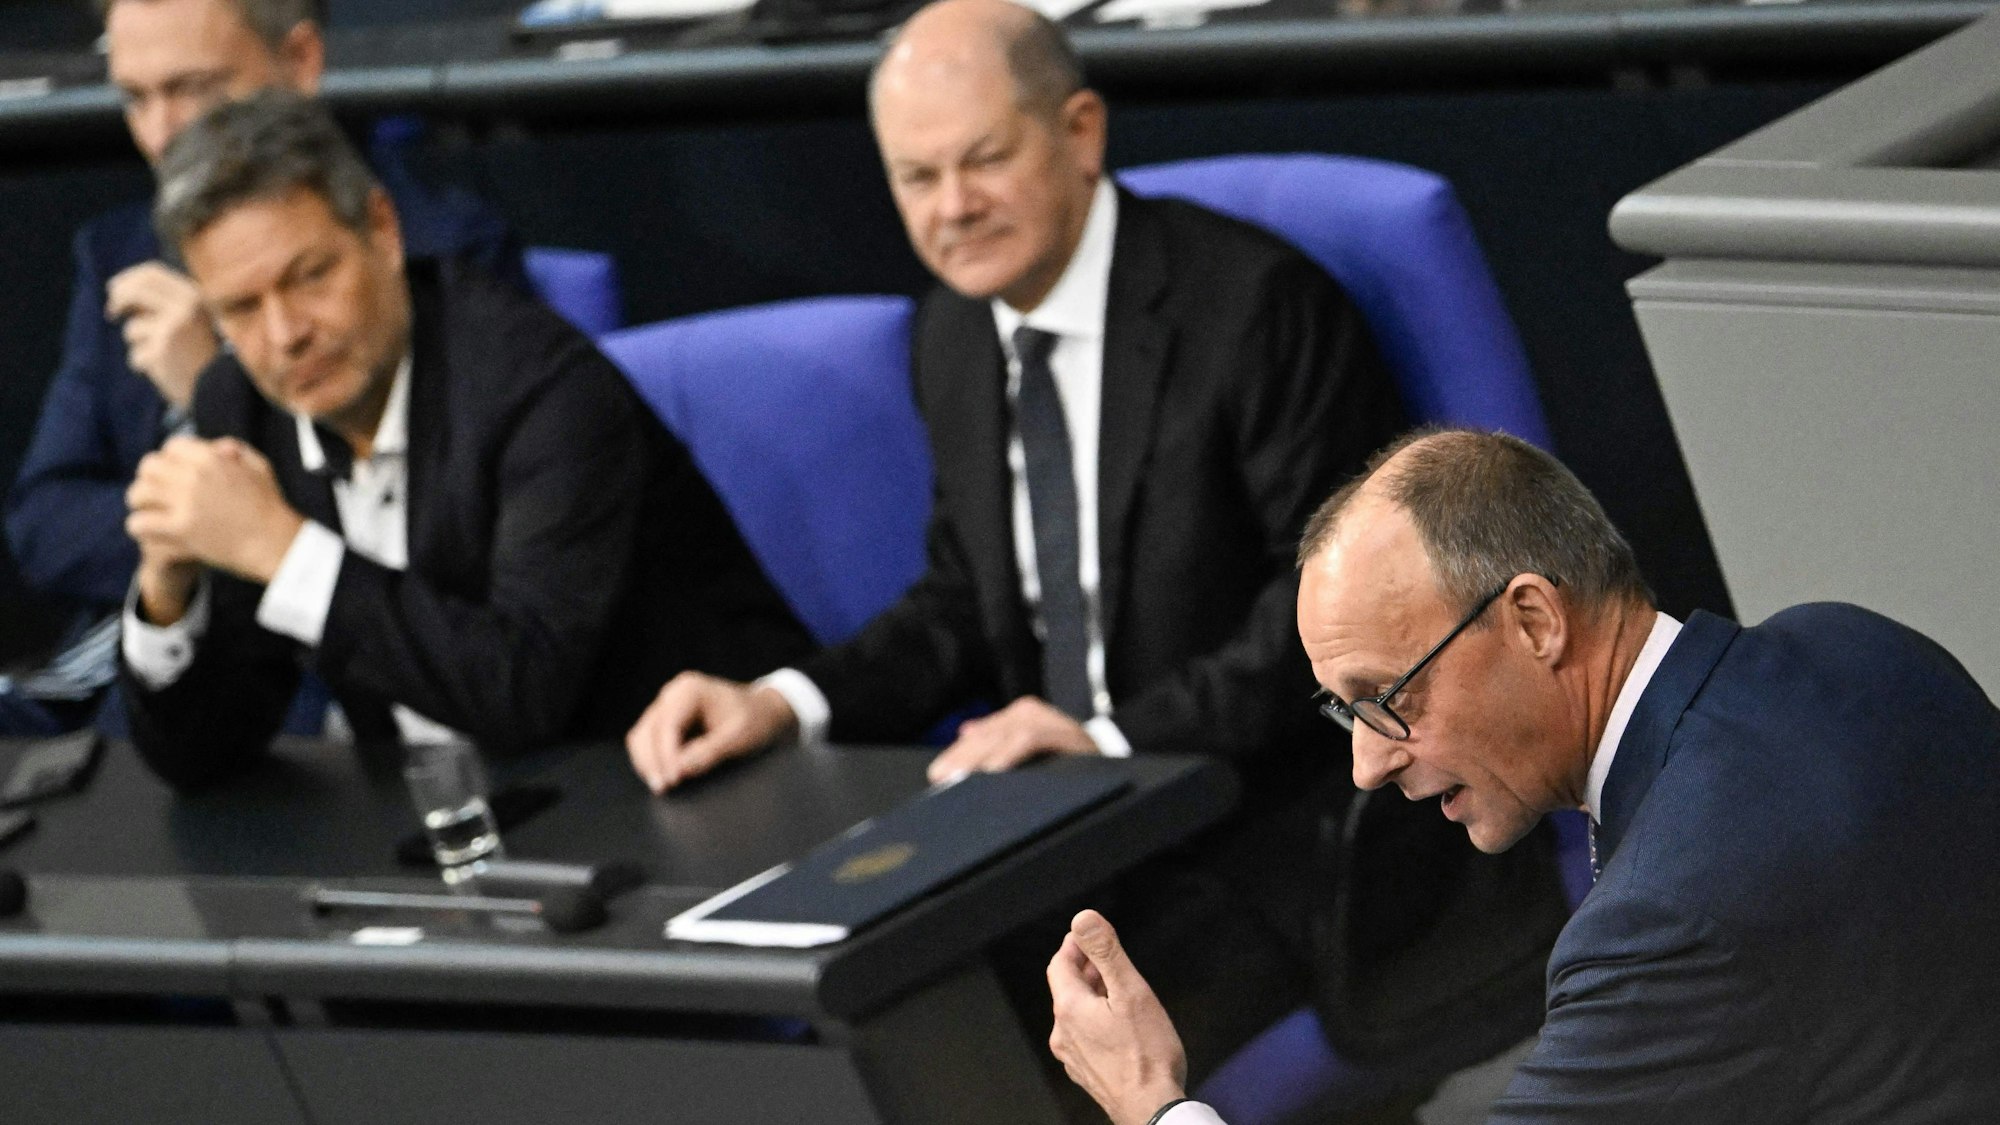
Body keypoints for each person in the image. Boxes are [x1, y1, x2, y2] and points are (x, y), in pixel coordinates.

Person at [625, 0, 1436, 1087]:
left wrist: (1105, 742)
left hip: (1278, 832)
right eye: (916, 178)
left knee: (990, 1054)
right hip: (1076, 844)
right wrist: (780, 702)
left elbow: (1322, 634)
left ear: (1080, 129)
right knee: (855, 1032)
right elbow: (960, 603)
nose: (952, 208)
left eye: (983, 161)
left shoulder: (1254, 307)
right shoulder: (953, 332)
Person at [1047, 427, 2000, 1125]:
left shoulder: (1667, 920)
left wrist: (1155, 1105)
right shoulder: (1851, 640)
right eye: (1345, 708)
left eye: (1388, 694)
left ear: (1536, 620)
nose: (1368, 760)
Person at [119, 90, 808, 786]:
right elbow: (204, 758)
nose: (286, 333)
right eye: (240, 307)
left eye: (311, 276)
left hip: (691, 785)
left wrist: (284, 551)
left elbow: (524, 691)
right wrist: (167, 595)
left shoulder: (541, 388)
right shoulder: (241, 408)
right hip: (447, 824)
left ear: (383, 232)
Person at [2, 0, 517, 735]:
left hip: (304, 710)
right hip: (111, 670)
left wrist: (223, 393)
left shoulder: (438, 251)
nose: (159, 134)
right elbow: (44, 522)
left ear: (300, 62)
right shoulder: (118, 249)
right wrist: (201, 532)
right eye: (135, 98)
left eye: (195, 90)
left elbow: (447, 556)